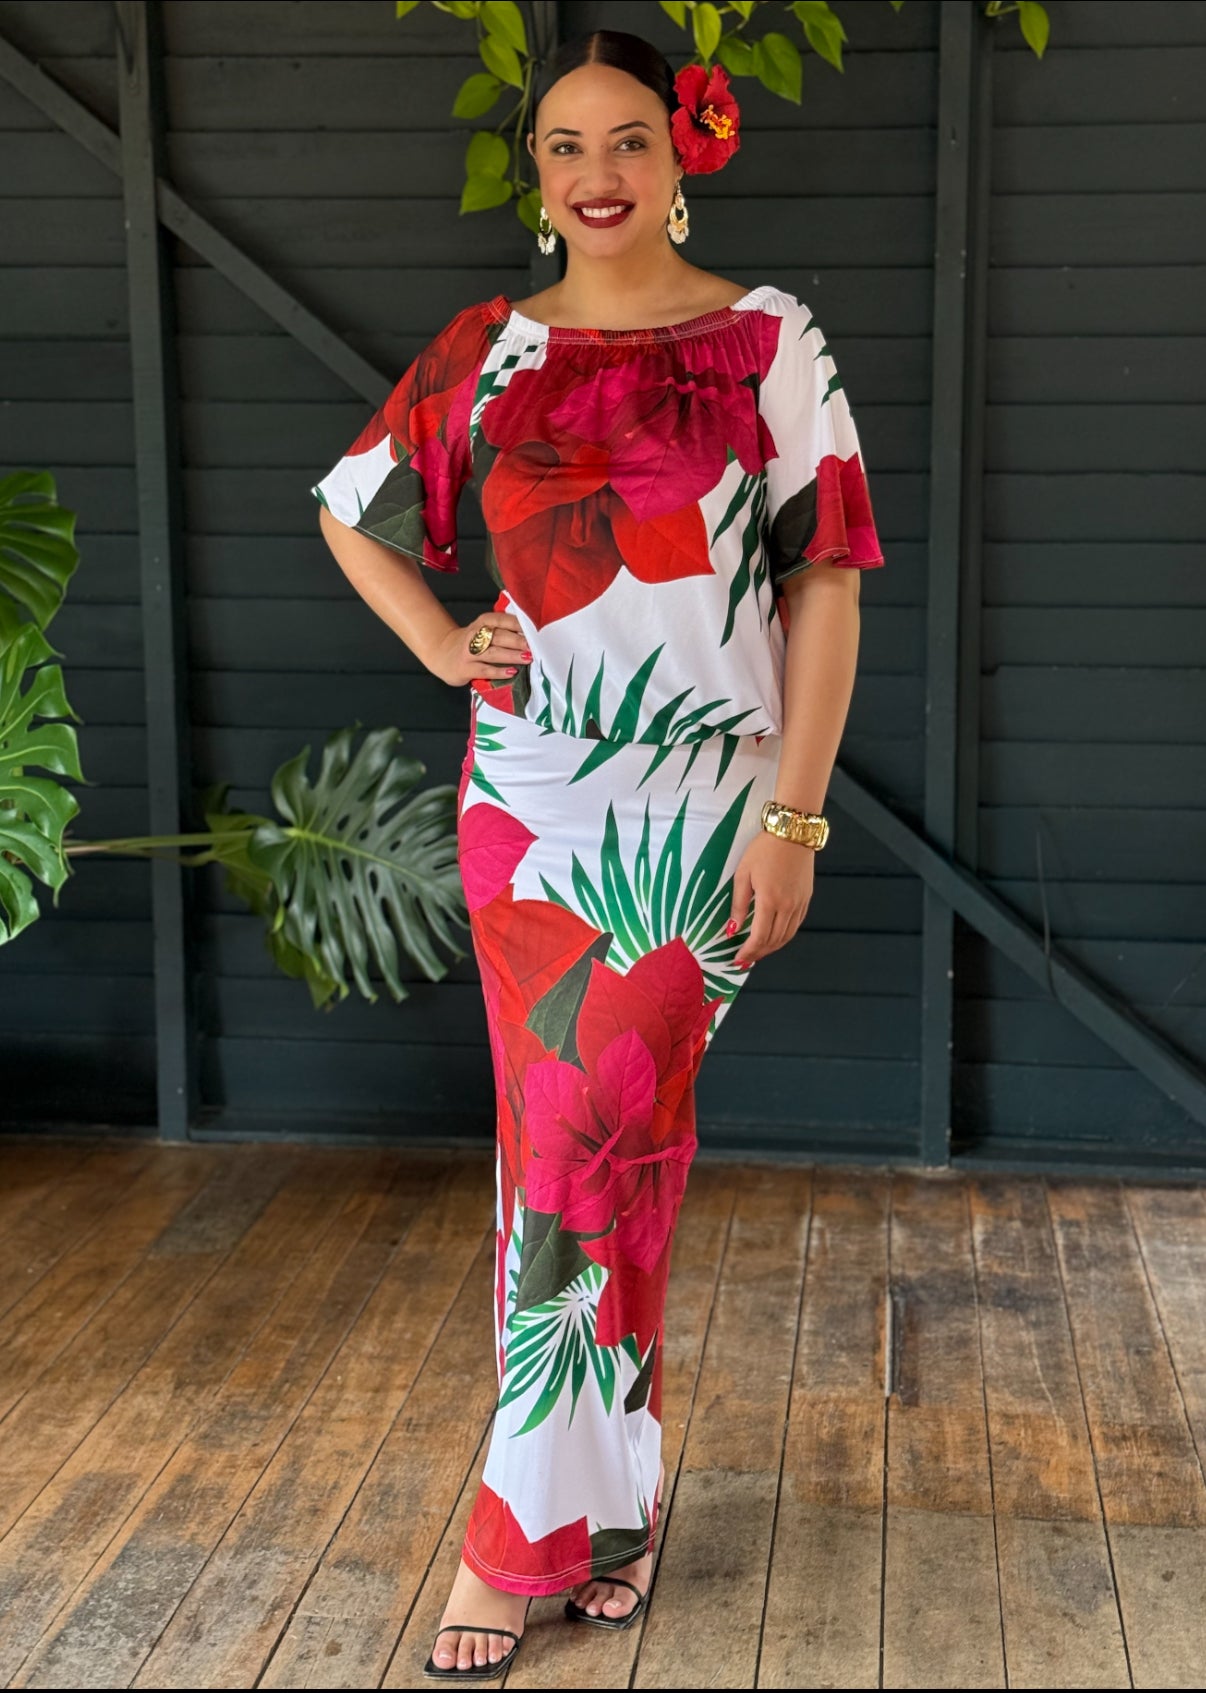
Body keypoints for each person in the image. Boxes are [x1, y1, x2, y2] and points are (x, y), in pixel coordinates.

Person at [313, 26, 884, 1681]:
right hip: (530, 808)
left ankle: (530, 1530)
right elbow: (355, 505)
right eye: (563, 148)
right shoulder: (487, 352)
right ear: (539, 174)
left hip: (704, 812)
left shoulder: (769, 341)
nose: (596, 175)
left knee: (604, 1146)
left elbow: (823, 585)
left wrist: (792, 811)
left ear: (683, 149)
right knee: (572, 1153)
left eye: (626, 138)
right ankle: (582, 1513)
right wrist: (441, 646)